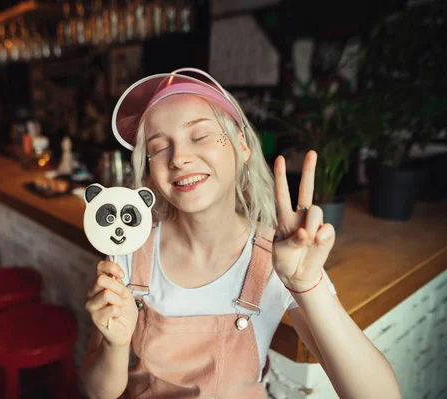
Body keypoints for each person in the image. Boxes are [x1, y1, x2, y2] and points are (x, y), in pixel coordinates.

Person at [81, 68, 401, 398]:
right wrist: (115, 345)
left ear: (242, 145)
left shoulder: (281, 258)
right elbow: (98, 391)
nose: (179, 158)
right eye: (160, 147)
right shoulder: (129, 251)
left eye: (200, 135)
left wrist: (308, 285)